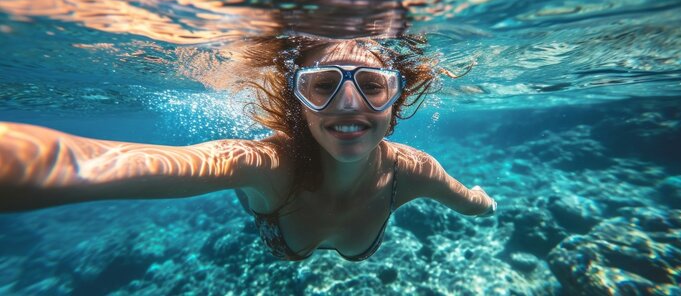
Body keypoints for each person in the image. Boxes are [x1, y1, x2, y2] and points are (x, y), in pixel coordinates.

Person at [0, 36, 496, 262]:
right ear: (297, 102)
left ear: (395, 100)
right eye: (322, 85)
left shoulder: (414, 172)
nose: (349, 104)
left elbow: (470, 200)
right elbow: (90, 165)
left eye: (372, 84)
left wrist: (488, 202)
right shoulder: (264, 163)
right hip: (278, 217)